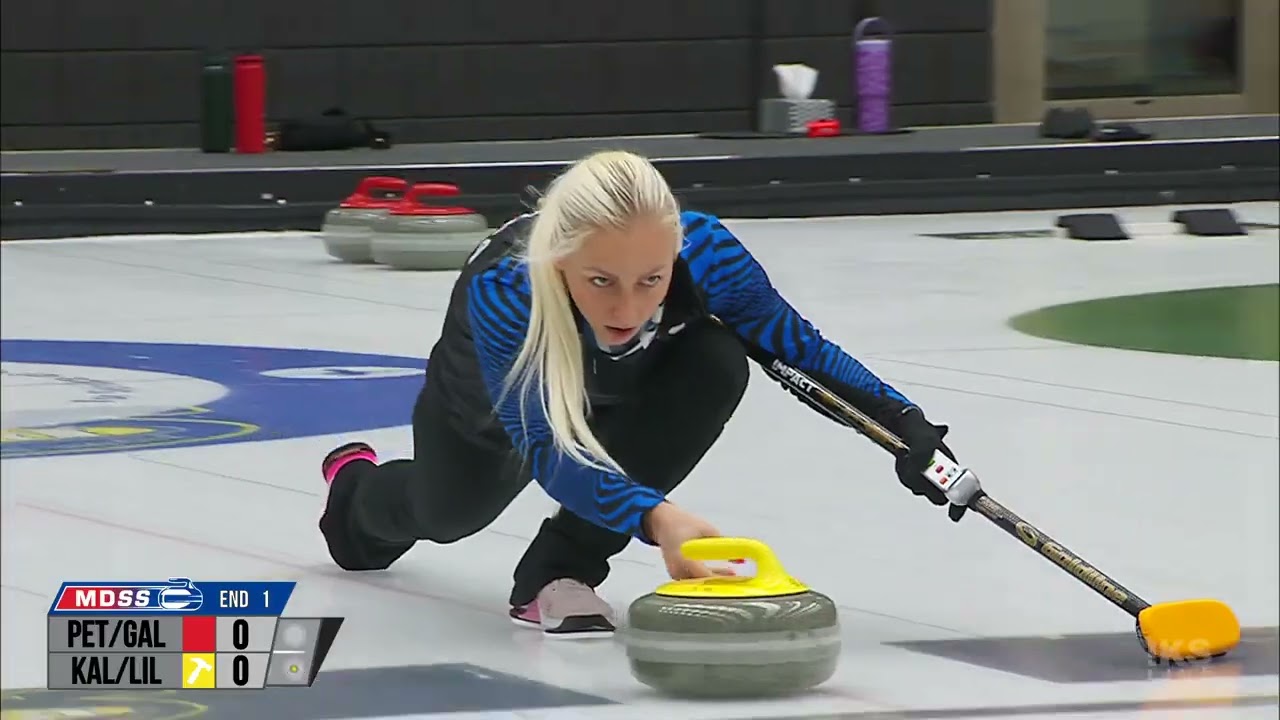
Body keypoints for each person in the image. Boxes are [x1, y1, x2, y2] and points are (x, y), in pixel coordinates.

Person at [318, 150, 960, 637]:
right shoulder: (508, 291)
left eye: (652, 279)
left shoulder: (707, 252)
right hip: (487, 418)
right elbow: (550, 450)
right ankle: (356, 492)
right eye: (601, 281)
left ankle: (559, 571)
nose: (628, 307)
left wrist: (904, 423)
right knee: (447, 516)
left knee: (717, 360)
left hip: (622, 391)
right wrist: (659, 518)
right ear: (561, 258)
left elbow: (798, 347)